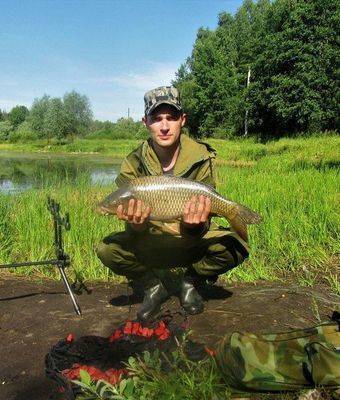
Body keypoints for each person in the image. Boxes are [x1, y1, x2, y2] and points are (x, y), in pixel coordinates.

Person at [96, 86, 250, 321]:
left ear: (182, 120)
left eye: (171, 117)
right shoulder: (132, 164)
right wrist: (136, 224)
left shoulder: (201, 157)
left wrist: (193, 225)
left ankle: (191, 282)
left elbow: (204, 224)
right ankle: (153, 287)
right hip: (152, 242)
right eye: (157, 119)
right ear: (145, 122)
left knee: (237, 246)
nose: (165, 126)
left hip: (190, 240)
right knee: (106, 249)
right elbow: (135, 231)